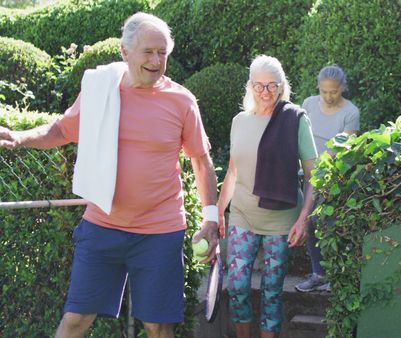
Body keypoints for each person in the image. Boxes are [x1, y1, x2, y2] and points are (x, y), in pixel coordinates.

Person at [0, 13, 219, 338]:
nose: (157, 61)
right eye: (148, 52)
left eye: (163, 53)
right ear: (125, 51)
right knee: (76, 320)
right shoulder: (100, 89)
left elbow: (201, 161)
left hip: (160, 230)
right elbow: (62, 129)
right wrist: (20, 137)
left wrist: (211, 218)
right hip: (103, 225)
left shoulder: (182, 101)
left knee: (158, 327)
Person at [216, 55, 317, 338]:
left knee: (272, 291)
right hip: (243, 215)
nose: (265, 92)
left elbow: (313, 176)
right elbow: (233, 172)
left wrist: (303, 219)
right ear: (250, 86)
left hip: (282, 221)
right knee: (236, 286)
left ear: (282, 86)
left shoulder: (295, 119)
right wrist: (219, 212)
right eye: (259, 85)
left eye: (272, 85)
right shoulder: (240, 121)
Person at [295, 65, 360, 293]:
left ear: (342, 88)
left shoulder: (351, 112)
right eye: (324, 91)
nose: (329, 96)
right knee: (310, 222)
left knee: (332, 224)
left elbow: (345, 147)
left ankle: (339, 275)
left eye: (333, 91)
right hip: (308, 173)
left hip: (334, 176)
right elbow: (299, 136)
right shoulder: (309, 104)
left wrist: (322, 165)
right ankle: (318, 274)